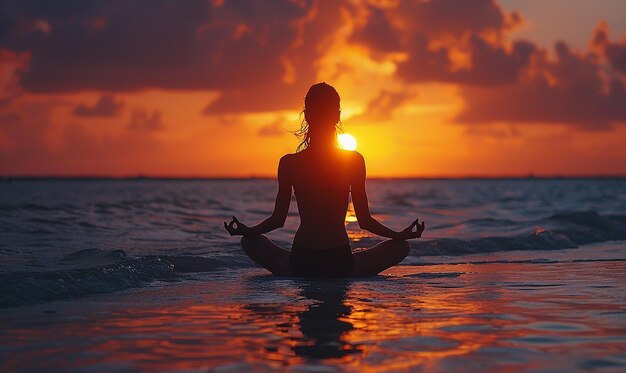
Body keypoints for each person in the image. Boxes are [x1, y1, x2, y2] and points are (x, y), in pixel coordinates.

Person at [224, 82, 425, 278]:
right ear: (337, 116)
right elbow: (364, 221)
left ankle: (288, 267)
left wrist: (248, 230)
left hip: (301, 262)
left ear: (307, 115)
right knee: (401, 247)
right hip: (340, 263)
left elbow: (278, 220)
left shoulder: (289, 163)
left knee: (249, 242)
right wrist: (399, 235)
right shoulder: (354, 160)